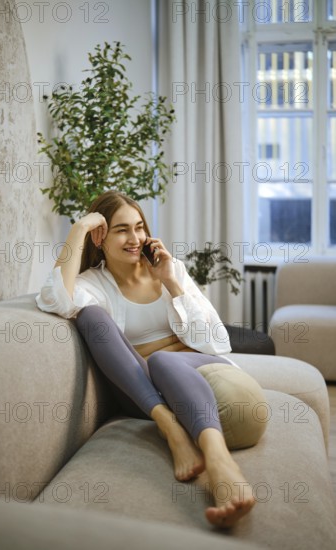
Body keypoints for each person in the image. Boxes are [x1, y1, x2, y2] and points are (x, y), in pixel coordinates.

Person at [35, 190, 256, 528]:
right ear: (100, 237)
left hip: (214, 385)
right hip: (152, 397)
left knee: (164, 362)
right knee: (91, 317)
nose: (135, 238)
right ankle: (172, 428)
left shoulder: (170, 270)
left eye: (139, 227)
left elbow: (216, 341)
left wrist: (171, 282)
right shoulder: (92, 285)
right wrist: (78, 228)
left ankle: (220, 461)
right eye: (122, 229)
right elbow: (56, 302)